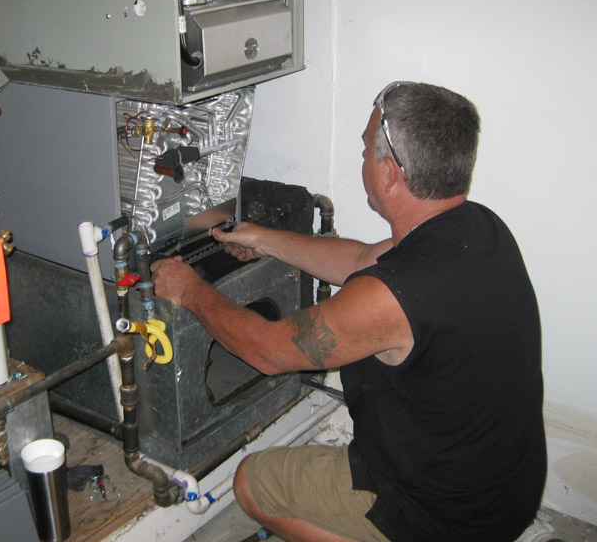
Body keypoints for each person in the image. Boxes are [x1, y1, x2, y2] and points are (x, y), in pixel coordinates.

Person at [150, 81, 546, 542]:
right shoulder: (478, 226)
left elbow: (268, 351)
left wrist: (190, 290)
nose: (362, 158)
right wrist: (266, 240)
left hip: (446, 517)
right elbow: (360, 260)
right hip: (504, 491)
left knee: (253, 484)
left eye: (364, 150)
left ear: (389, 174)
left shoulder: (392, 296)